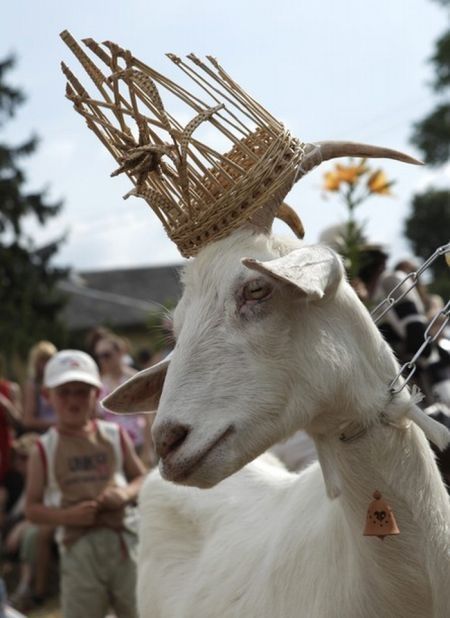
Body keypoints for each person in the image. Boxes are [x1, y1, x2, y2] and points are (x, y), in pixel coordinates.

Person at [25, 350, 146, 618]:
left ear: (96, 394)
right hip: (78, 548)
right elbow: (32, 509)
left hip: (123, 542)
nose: (73, 400)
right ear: (48, 396)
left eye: (82, 391)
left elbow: (143, 477)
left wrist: (124, 493)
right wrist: (67, 516)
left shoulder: (115, 435)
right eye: (64, 392)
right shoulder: (44, 449)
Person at [95, 334, 155, 467]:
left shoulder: (135, 379)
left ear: (119, 353)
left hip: (137, 445)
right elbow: (98, 419)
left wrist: (147, 449)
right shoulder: (99, 385)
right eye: (99, 356)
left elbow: (147, 416)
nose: (103, 360)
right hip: (112, 447)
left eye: (107, 355)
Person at [23, 341, 57, 432]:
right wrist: (58, 424)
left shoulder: (60, 383)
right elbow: (28, 421)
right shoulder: (33, 386)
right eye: (42, 360)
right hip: (45, 435)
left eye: (49, 360)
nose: (46, 364)